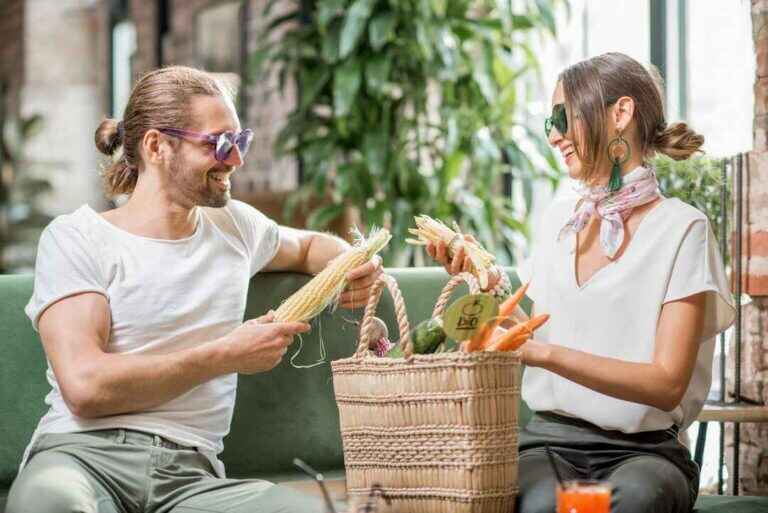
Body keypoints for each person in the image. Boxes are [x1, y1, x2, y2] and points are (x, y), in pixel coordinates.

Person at [6, 66, 382, 513]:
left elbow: (307, 247)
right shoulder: (77, 238)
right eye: (220, 143)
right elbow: (85, 388)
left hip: (190, 478)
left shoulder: (235, 226)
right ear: (156, 146)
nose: (236, 160)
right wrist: (226, 355)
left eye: (241, 142)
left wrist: (351, 265)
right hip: (81, 459)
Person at [428, 52, 735, 513]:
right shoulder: (558, 220)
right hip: (547, 445)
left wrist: (543, 354)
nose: (553, 135)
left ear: (621, 113)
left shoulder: (682, 230)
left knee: (629, 501)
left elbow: (667, 383)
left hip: (645, 454)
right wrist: (479, 277)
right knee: (543, 503)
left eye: (561, 117)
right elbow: (533, 327)